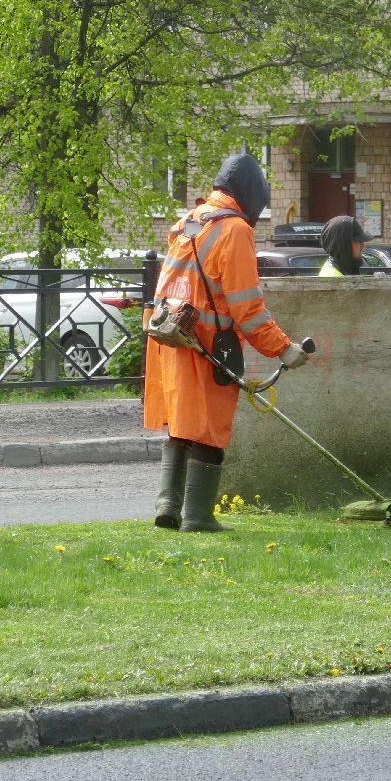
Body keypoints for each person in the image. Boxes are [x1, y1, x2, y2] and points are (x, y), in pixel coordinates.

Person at [144, 152, 310, 532]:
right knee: (208, 425)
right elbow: (246, 308)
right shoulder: (234, 230)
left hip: (169, 336)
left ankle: (168, 504)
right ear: (250, 194)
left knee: (181, 423)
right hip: (206, 343)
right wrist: (283, 348)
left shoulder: (188, 221)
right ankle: (198, 517)